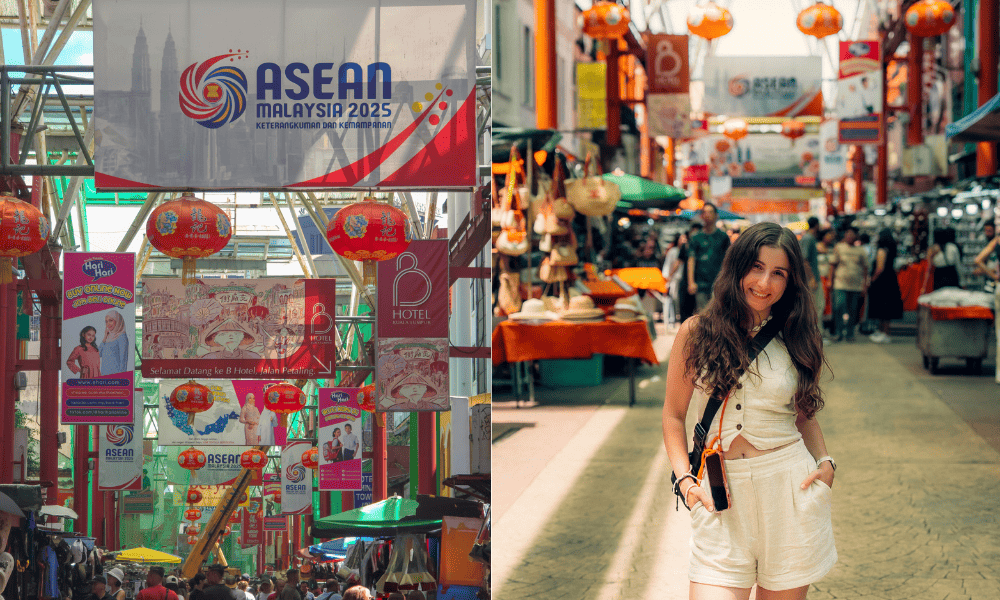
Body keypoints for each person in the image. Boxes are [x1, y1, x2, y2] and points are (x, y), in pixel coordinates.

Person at [662, 222, 836, 597]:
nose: (764, 283)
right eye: (756, 267)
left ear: (791, 282)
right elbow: (673, 416)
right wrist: (685, 481)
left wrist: (826, 462)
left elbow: (803, 414)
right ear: (737, 268)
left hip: (788, 489)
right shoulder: (696, 332)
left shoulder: (800, 337)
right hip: (719, 495)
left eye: (778, 273)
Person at [687, 203, 732, 311]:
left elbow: (729, 259)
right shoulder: (696, 237)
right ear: (701, 216)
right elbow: (691, 259)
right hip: (700, 283)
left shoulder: (723, 237)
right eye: (704, 212)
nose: (707, 215)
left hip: (719, 282)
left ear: (716, 215)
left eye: (710, 212)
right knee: (702, 314)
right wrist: (691, 282)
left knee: (718, 312)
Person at [828, 226, 869, 342]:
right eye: (848, 234)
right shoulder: (839, 248)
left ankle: (850, 333)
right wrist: (830, 280)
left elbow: (865, 268)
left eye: (852, 234)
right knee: (839, 306)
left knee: (853, 310)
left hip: (855, 285)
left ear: (856, 236)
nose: (849, 236)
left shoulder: (861, 251)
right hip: (840, 283)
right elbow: (833, 264)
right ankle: (839, 332)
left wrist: (865, 285)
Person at [866, 229, 905, 344]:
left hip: (882, 283)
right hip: (890, 280)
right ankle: (883, 332)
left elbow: (879, 268)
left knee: (882, 307)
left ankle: (884, 333)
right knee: (886, 308)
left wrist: (872, 279)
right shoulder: (891, 250)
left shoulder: (881, 251)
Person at [799, 217, 824, 327]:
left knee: (816, 306)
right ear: (817, 225)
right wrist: (812, 278)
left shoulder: (808, 238)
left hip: (811, 277)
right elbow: (804, 260)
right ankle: (815, 335)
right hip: (811, 278)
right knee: (816, 307)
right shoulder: (808, 238)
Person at [99, 309, 130, 375]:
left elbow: (123, 361)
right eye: (106, 322)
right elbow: (98, 354)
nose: (108, 324)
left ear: (117, 320)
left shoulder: (122, 337)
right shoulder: (108, 337)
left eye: (110, 320)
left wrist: (120, 378)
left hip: (115, 378)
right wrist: (104, 337)